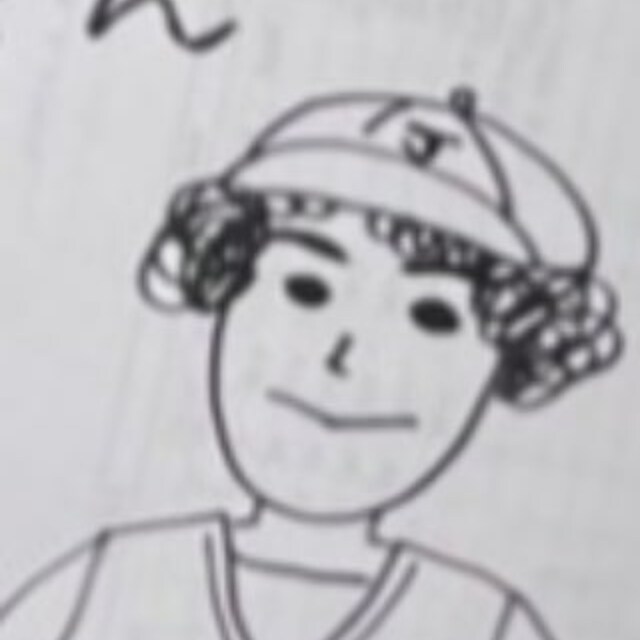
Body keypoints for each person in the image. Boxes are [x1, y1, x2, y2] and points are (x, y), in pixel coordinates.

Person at [0, 88, 622, 639]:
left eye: (431, 317)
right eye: (307, 289)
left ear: (509, 361)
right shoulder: (112, 579)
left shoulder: (482, 623)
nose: (348, 353)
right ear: (222, 282)